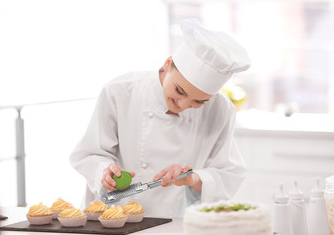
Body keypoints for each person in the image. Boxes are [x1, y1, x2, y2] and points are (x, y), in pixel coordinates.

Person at [70, 18, 251, 218]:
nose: (182, 105)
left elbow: (229, 173)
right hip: (114, 216)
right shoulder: (120, 91)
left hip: (175, 220)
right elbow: (88, 154)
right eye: (179, 90)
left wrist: (193, 178)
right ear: (168, 64)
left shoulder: (220, 109)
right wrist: (104, 171)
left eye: (198, 102)